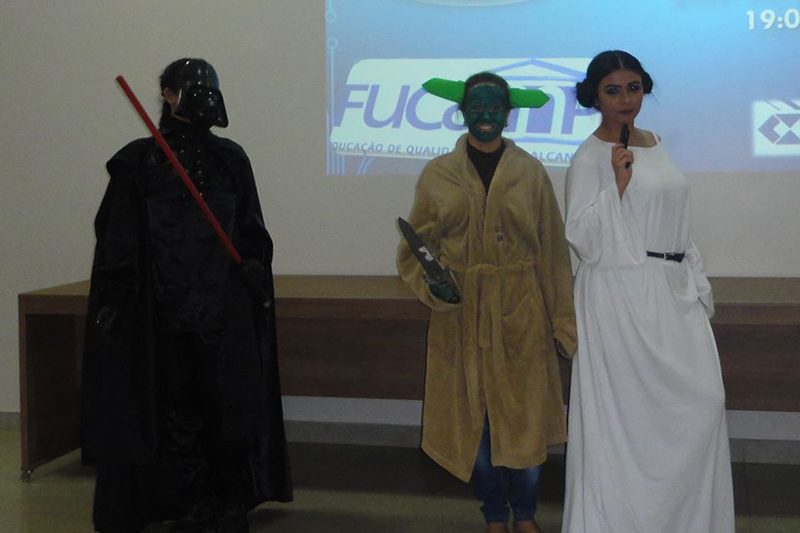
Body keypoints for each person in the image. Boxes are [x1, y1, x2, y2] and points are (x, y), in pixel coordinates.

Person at [81, 58, 292, 533]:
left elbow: (251, 227)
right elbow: (117, 240)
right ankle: (190, 502)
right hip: (162, 315)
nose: (201, 95)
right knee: (176, 413)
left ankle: (229, 502)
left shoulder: (231, 159)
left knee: (229, 409)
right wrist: (114, 300)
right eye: (188, 87)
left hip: (222, 314)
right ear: (167, 94)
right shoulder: (138, 163)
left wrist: (255, 264)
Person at [560, 50, 734, 532]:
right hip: (621, 297)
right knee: (629, 426)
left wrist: (692, 277)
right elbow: (583, 238)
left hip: (672, 292)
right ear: (595, 96)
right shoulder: (589, 157)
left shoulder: (654, 142)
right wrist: (616, 185)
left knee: (705, 403)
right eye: (613, 90)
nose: (626, 99)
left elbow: (674, 213)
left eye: (633, 88)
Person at [397, 72, 577, 533]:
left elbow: (552, 251)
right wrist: (435, 285)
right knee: (471, 421)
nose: (485, 114)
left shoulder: (530, 172)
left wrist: (563, 320)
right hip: (461, 313)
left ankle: (526, 513)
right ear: (461, 111)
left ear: (507, 113)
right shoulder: (438, 174)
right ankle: (494, 512)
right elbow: (416, 246)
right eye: (475, 106)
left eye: (494, 106)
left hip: (521, 308)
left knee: (526, 418)